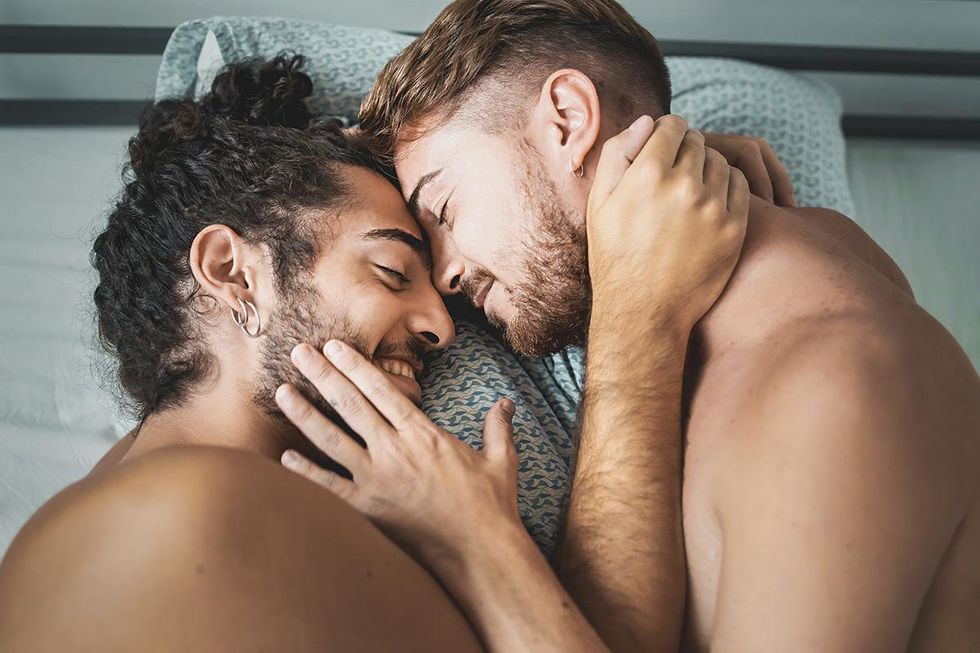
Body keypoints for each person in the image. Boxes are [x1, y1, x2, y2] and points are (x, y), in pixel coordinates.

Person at [0, 54, 770, 650]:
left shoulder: (155, 482)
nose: (442, 324)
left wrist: (614, 179)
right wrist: (479, 543)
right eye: (391, 270)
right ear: (233, 271)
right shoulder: (197, 516)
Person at [280, 1, 980, 652]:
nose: (446, 278)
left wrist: (475, 547)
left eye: (444, 209)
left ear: (566, 119)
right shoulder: (785, 275)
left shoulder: (838, 390)